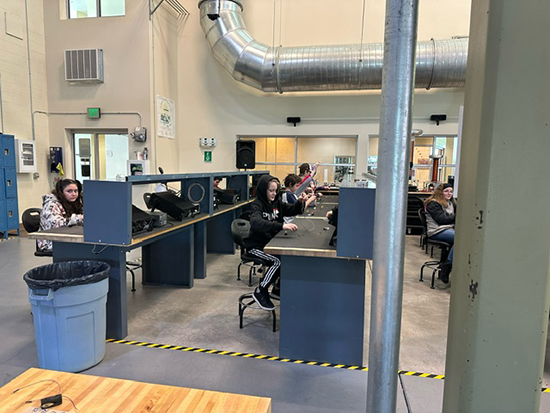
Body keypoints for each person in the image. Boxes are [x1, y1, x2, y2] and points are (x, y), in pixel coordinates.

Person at [244, 174, 316, 310]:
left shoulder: (276, 203)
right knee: (277, 261)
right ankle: (261, 290)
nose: (273, 193)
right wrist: (280, 226)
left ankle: (277, 288)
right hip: (256, 246)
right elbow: (255, 222)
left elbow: (292, 210)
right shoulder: (257, 205)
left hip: (270, 243)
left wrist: (300, 202)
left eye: (275, 191)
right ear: (263, 190)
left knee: (286, 257)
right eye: (270, 191)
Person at [38, 179, 84, 253]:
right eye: (69, 191)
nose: (73, 194)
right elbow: (56, 223)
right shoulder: (51, 204)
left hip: (67, 236)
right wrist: (79, 218)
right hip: (50, 241)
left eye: (76, 191)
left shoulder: (74, 202)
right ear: (61, 192)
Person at [424, 183, 456, 283]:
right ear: (440, 192)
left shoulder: (451, 203)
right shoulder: (433, 203)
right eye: (446, 191)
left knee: (463, 238)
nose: (449, 193)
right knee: (459, 239)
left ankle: (445, 263)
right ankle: (447, 266)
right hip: (436, 231)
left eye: (451, 191)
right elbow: (441, 220)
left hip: (448, 229)